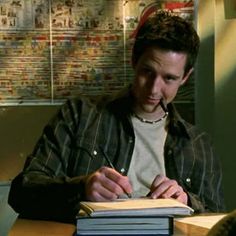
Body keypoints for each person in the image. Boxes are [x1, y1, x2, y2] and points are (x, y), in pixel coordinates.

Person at [8, 10, 225, 223]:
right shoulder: (79, 115)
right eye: (147, 72)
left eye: (169, 79)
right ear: (134, 61)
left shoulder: (198, 144)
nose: (154, 89)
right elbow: (22, 193)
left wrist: (187, 201)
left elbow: (218, 222)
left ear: (185, 77)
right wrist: (81, 188)